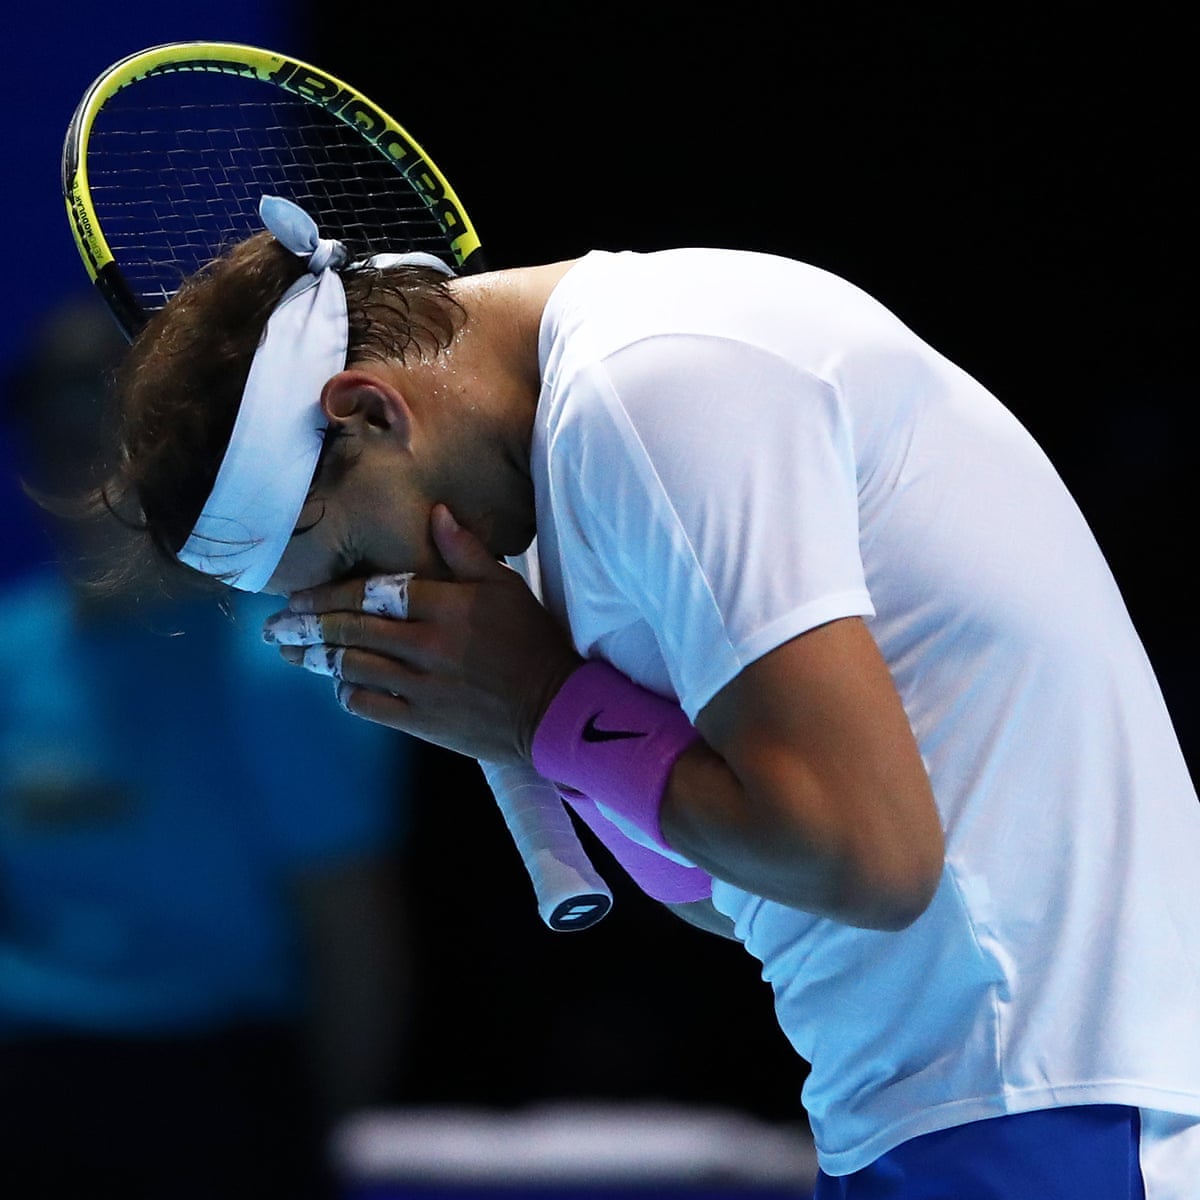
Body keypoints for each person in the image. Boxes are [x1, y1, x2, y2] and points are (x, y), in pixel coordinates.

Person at [79, 195, 1199, 1199]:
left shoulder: (652, 379)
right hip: (932, 1111)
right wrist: (540, 721)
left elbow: (870, 863)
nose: (378, 601)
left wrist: (539, 707)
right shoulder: (572, 478)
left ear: (369, 410)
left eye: (348, 563)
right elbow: (738, 896)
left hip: (1056, 1098)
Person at [2, 294, 412, 1199]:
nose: (87, 470)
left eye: (108, 436)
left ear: (168, 453)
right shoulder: (9, 655)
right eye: (59, 431)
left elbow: (351, 936)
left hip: (216, 1095)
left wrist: (314, 1146)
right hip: (26, 1087)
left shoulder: (277, 666)